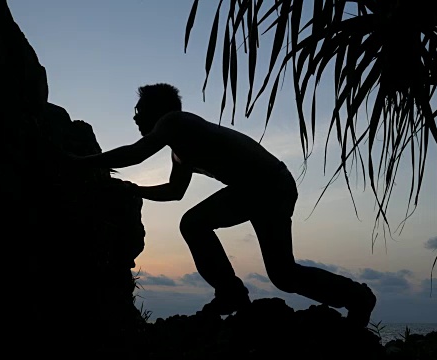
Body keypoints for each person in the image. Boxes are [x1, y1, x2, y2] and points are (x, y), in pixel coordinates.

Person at [72, 83, 376, 327]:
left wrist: (79, 164)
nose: (136, 118)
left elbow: (136, 154)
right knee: (283, 275)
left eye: (139, 110)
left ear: (157, 109)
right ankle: (356, 297)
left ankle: (231, 293)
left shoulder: (175, 121)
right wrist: (135, 190)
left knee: (195, 224)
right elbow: (175, 191)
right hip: (264, 187)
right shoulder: (179, 147)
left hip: (268, 184)